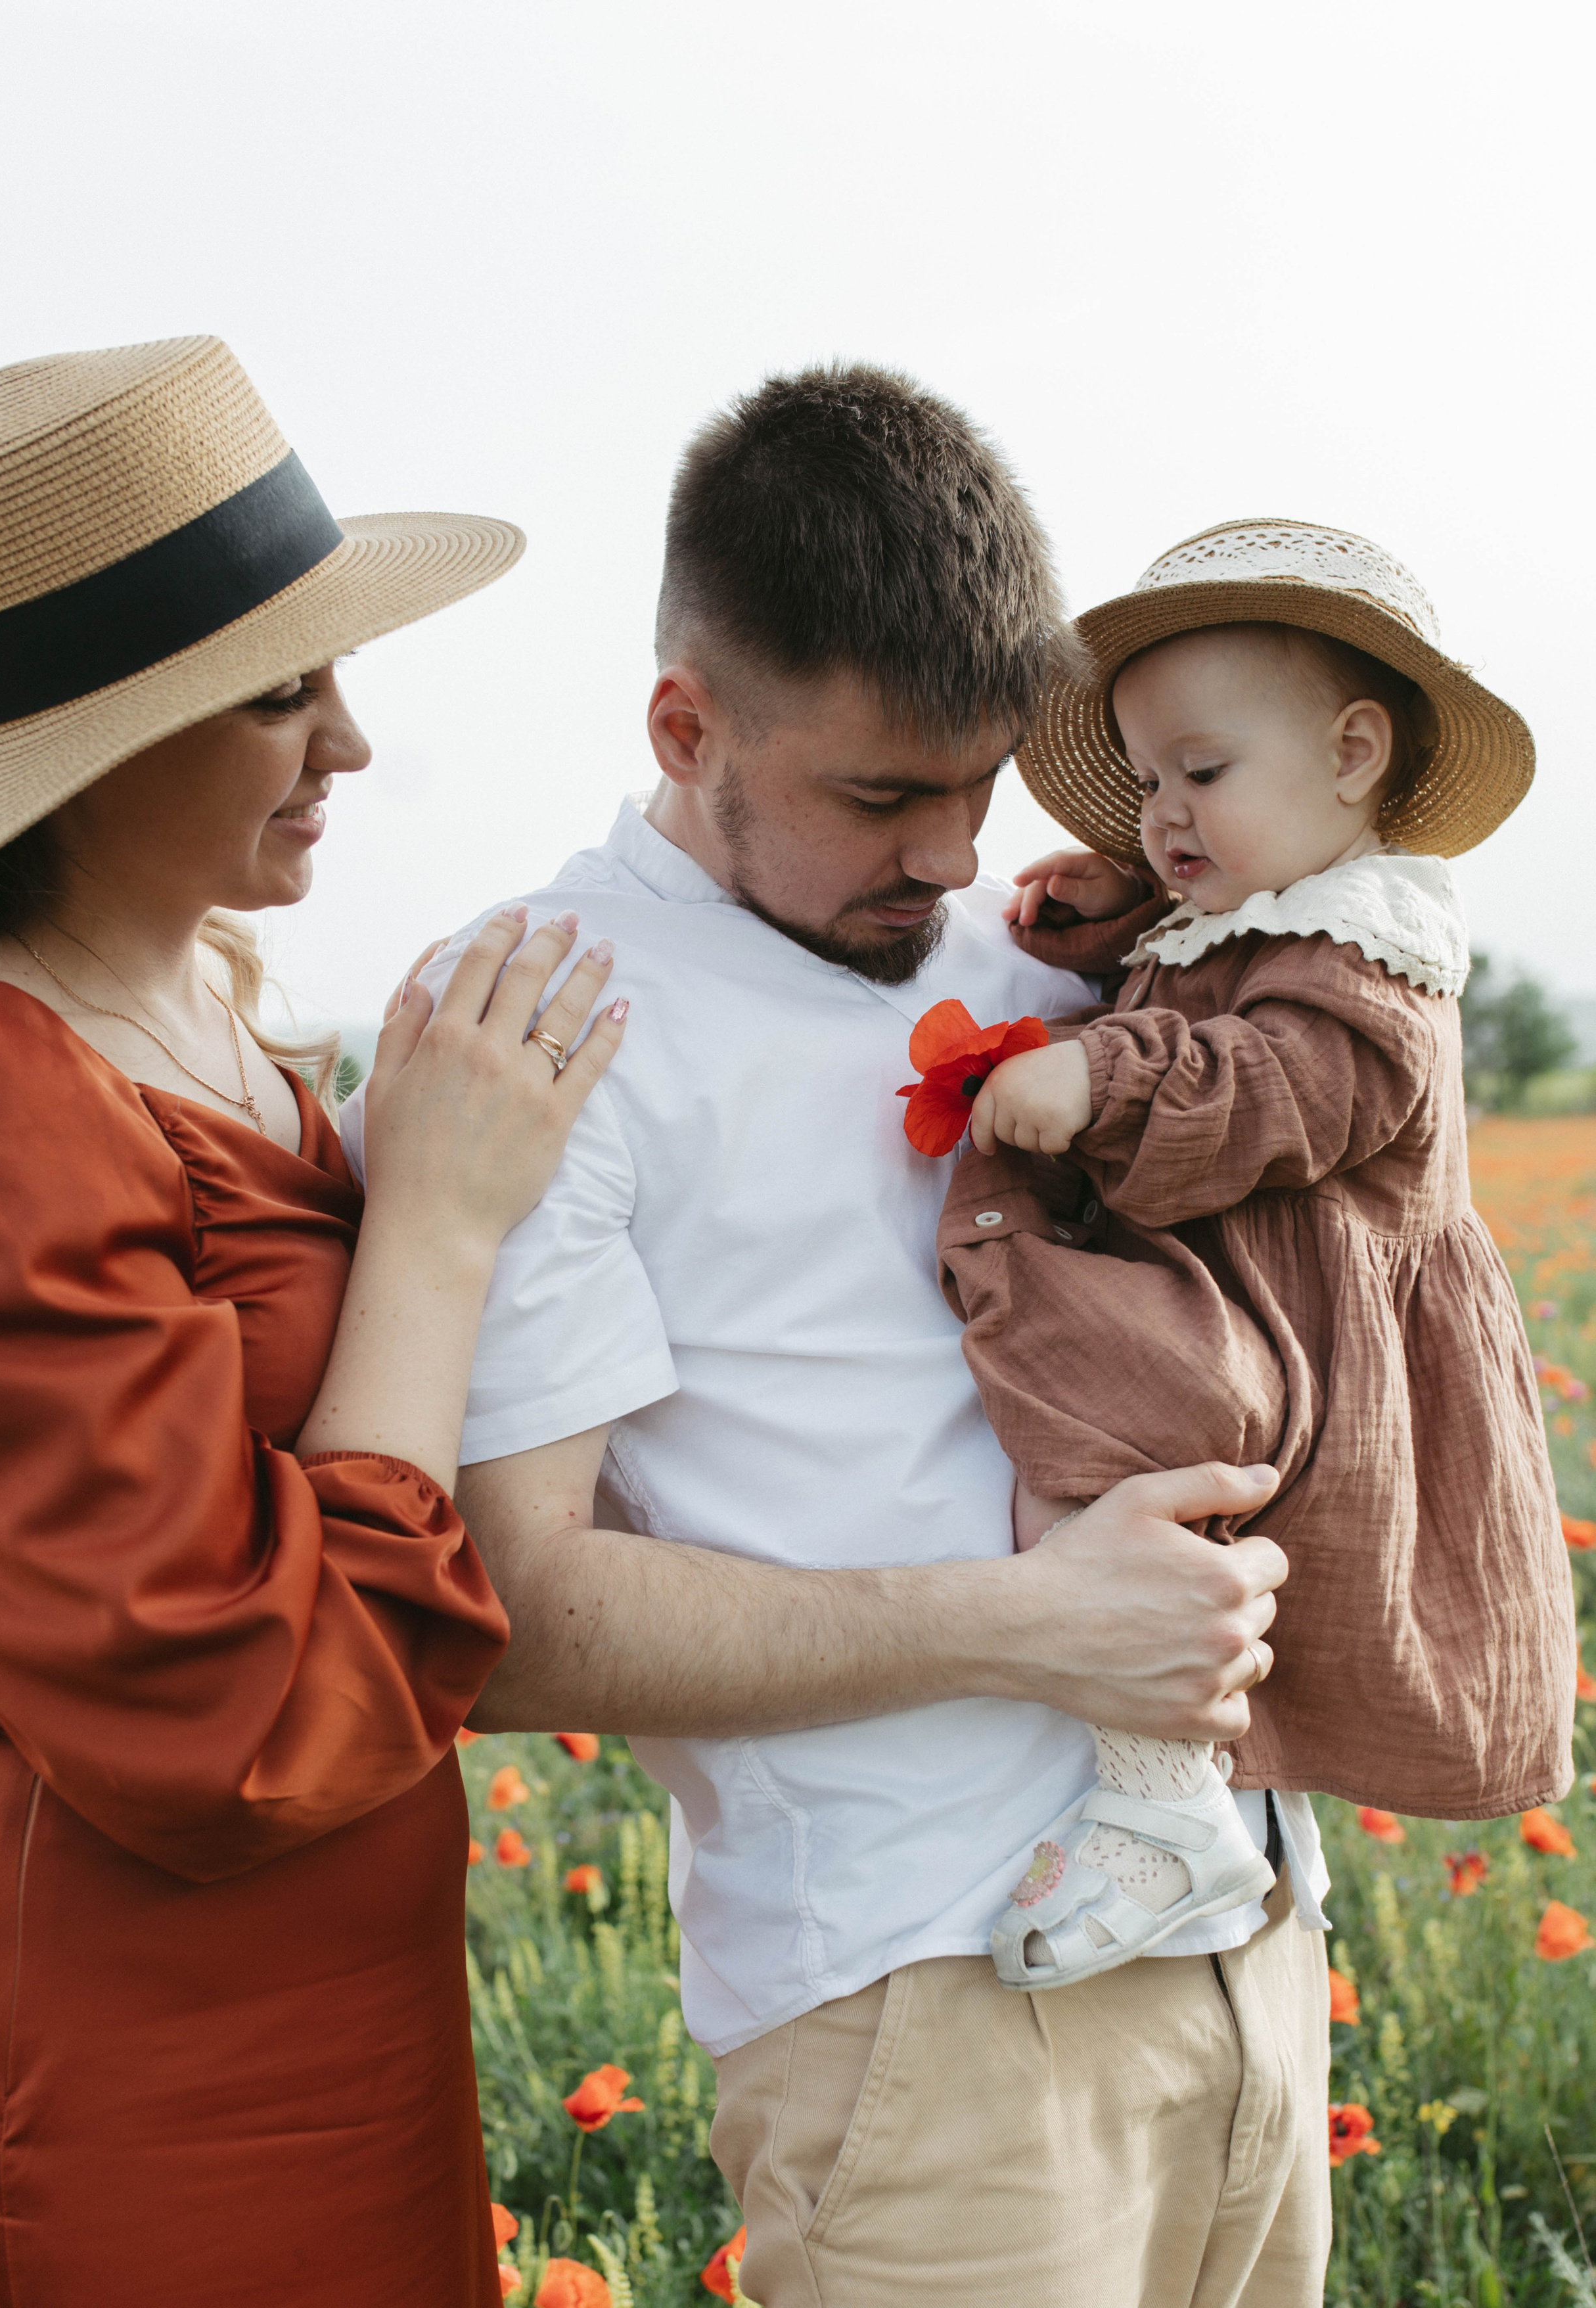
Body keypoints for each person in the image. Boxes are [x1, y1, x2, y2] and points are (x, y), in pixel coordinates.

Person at [354, 368, 1321, 2308]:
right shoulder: (535, 1022)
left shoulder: (1032, 947)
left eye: (981, 786)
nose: (949, 855)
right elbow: (511, 1622)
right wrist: (1031, 1627)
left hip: (1251, 1940)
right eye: (882, 797)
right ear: (683, 724)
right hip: (924, 2007)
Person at [0, 335, 625, 2308]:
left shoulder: (220, 1024)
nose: (354, 748)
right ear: (94, 740)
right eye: (280, 693)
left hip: (339, 1983)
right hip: (143, 2021)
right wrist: (442, 1229)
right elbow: (220, 1716)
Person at [924, 519, 1573, 1993]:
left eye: (1198, 775)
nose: (1161, 813)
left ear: (1352, 753)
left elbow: (1281, 1084)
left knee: (1126, 1425)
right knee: (1143, 1465)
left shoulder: (1370, 960)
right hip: (1245, 1311)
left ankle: (1162, 1810)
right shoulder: (1252, 909)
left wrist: (1102, 1076)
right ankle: (1226, 1805)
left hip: (1304, 1349)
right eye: (1145, 784)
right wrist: (1119, 922)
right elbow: (1205, 964)